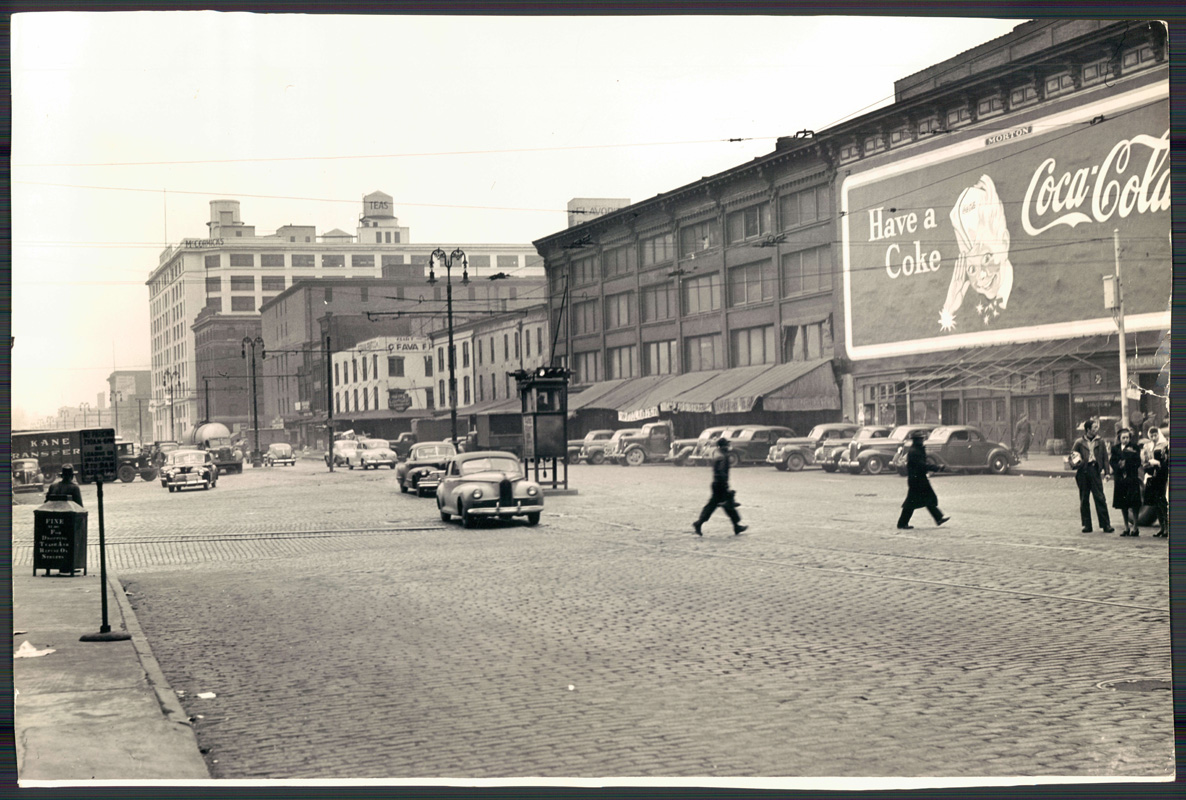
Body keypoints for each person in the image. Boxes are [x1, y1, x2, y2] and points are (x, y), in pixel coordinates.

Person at [692, 438, 746, 536]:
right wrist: (725, 486)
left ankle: (736, 526)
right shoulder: (723, 457)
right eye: (726, 445)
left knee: (721, 506)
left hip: (717, 484)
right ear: (723, 446)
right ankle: (699, 523)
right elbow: (721, 472)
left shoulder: (718, 454)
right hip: (720, 485)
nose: (728, 447)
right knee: (724, 505)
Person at [896, 433, 950, 529]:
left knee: (927, 498)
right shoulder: (915, 452)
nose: (922, 440)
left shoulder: (917, 450)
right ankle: (902, 523)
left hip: (918, 479)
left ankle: (938, 518)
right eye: (921, 439)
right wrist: (936, 468)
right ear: (917, 440)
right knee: (912, 502)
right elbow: (922, 466)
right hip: (917, 480)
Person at [1070, 418, 1113, 533]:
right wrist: (1079, 463)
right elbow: (1073, 457)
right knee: (1084, 498)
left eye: (1096, 427)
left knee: (1100, 498)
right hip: (1083, 472)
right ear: (1088, 430)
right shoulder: (1079, 442)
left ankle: (1106, 525)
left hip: (1095, 470)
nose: (1096, 429)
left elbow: (1105, 458)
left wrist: (1107, 473)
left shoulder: (1100, 441)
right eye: (1094, 427)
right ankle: (1087, 525)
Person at [1110, 428, 1143, 536]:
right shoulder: (1115, 449)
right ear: (1119, 438)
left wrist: (1127, 464)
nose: (1125, 440)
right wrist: (1118, 466)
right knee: (1123, 503)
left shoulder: (1134, 447)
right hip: (1120, 479)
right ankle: (1126, 527)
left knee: (1134, 503)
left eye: (1127, 437)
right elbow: (1112, 461)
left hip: (1131, 478)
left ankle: (1135, 527)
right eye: (1123, 438)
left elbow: (1138, 462)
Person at [1141, 426, 1168, 538]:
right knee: (1155, 502)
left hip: (1161, 474)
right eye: (1151, 436)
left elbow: (1167, 460)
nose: (1153, 437)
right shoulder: (1148, 446)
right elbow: (1145, 460)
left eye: (1155, 435)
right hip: (1152, 475)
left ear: (1158, 434)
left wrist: (1158, 463)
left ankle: (1166, 528)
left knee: (1161, 500)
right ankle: (1161, 528)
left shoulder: (1165, 445)